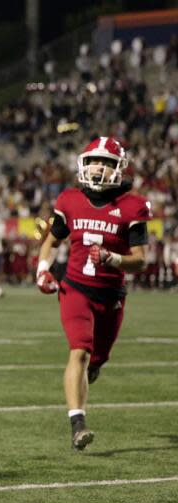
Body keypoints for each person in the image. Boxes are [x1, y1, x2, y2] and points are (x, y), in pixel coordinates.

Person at [36, 137, 150, 451]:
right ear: (84, 164)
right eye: (95, 161)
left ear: (119, 168)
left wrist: (113, 259)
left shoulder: (133, 206)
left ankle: (91, 372)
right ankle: (78, 424)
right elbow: (52, 240)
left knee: (96, 360)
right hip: (75, 288)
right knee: (80, 352)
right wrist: (42, 269)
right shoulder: (70, 199)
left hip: (111, 294)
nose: (99, 167)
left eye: (108, 162)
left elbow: (141, 260)